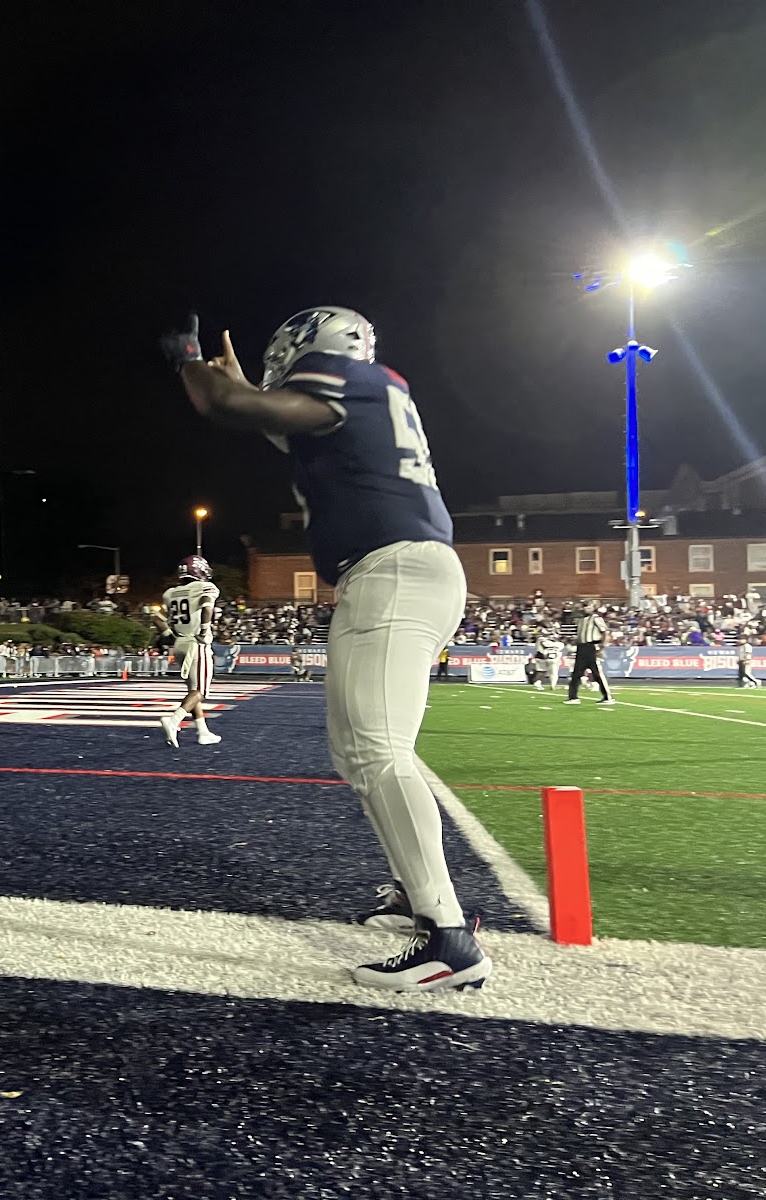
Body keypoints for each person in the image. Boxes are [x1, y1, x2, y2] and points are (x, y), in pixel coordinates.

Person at [168, 307, 489, 993]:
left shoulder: (348, 379)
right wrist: (251, 393)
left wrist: (184, 350)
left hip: (394, 570)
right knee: (359, 752)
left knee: (377, 750)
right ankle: (418, 894)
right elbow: (272, 420)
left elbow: (222, 404)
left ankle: (448, 936)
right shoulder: (372, 393)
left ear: (311, 347)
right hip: (402, 569)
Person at [152, 554, 221, 747]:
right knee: (200, 691)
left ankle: (203, 732)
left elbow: (156, 617)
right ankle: (174, 720)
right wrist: (204, 630)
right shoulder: (206, 587)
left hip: (180, 643)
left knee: (192, 690)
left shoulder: (170, 593)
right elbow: (207, 606)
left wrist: (170, 635)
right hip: (196, 643)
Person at [564, 604, 614, 705]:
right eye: (585, 607)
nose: (586, 609)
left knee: (597, 674)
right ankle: (573, 697)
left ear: (593, 608)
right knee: (576, 673)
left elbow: (605, 632)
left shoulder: (596, 618)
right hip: (581, 647)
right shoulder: (581, 620)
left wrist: (602, 646)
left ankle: (607, 697)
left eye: (589, 607)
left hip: (591, 647)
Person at [534, 627, 563, 691]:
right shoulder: (542, 640)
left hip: (544, 657)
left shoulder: (546, 640)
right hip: (542, 656)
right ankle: (538, 682)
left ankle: (539, 682)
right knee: (542, 671)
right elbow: (546, 644)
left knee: (543, 671)